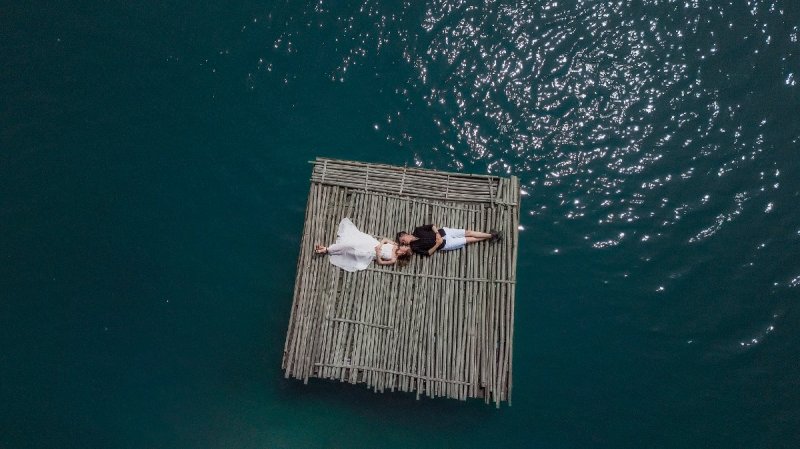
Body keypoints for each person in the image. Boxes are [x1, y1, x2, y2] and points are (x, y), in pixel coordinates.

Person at [315, 218, 411, 272]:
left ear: (403, 253)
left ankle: (326, 249)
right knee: (350, 243)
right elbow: (385, 239)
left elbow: (380, 262)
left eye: (405, 247)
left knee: (349, 251)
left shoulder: (394, 259)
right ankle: (327, 249)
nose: (404, 245)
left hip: (369, 254)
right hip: (371, 243)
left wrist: (377, 253)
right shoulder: (395, 245)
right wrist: (380, 244)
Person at [396, 225, 501, 256]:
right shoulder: (414, 247)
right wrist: (437, 245)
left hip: (444, 232)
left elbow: (432, 226)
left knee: (468, 232)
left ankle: (491, 235)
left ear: (405, 234)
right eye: (402, 243)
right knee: (467, 240)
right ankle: (492, 236)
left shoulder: (417, 230)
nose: (404, 242)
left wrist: (437, 233)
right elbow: (428, 253)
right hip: (445, 244)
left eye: (403, 240)